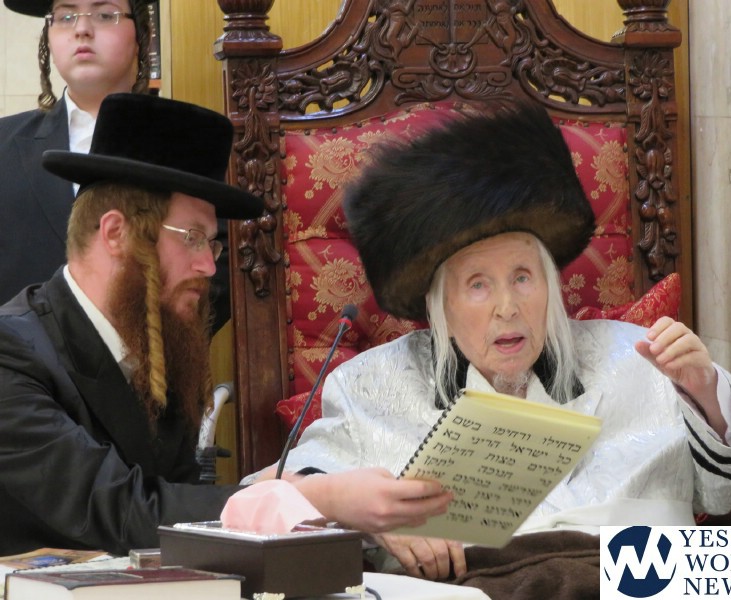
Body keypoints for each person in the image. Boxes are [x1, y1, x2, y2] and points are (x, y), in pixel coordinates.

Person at [268, 102, 731, 589]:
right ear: (438, 304)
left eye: (522, 277)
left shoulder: (640, 355)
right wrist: (344, 504)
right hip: (485, 590)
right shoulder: (369, 387)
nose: (507, 307)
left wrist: (707, 392)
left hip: (652, 581)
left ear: (551, 285)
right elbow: (256, 510)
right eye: (478, 285)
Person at [0, 93, 452, 556]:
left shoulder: (156, 344)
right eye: (192, 238)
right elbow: (117, 510)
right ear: (117, 233)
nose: (208, 266)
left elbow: (182, 509)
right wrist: (313, 499)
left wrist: (317, 503)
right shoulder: (10, 353)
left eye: (211, 244)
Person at [0, 1, 230, 330]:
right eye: (65, 16)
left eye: (105, 14)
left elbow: (222, 267)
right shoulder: (4, 144)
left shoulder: (191, 141)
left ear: (141, 35)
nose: (82, 29)